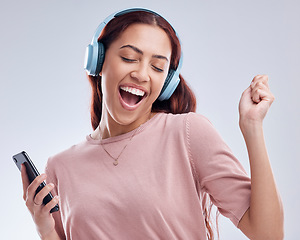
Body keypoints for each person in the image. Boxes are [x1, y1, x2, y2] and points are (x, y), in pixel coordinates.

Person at [21, 8, 284, 240]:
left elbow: (268, 234)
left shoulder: (188, 133)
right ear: (98, 62)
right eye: (128, 58)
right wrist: (44, 229)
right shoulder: (60, 166)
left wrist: (252, 127)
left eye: (157, 67)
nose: (141, 74)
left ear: (167, 83)